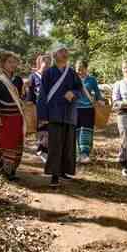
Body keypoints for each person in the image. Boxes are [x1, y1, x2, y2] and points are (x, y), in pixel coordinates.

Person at [37, 46, 83, 188]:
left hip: (70, 113)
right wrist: (43, 115)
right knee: (55, 145)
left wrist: (73, 93)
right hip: (54, 113)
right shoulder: (49, 73)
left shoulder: (72, 73)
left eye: (66, 52)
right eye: (61, 52)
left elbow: (80, 89)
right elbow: (42, 94)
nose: (65, 54)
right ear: (54, 55)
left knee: (68, 144)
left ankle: (65, 171)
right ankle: (54, 175)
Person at [0, 52, 25, 181]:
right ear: (3, 64)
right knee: (5, 143)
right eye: (9, 62)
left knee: (16, 144)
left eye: (14, 62)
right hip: (4, 117)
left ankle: (11, 171)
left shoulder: (18, 80)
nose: (12, 64)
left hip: (17, 117)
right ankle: (4, 169)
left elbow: (21, 98)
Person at [75, 60, 105, 164]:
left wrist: (101, 101)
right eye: (77, 68)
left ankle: (85, 154)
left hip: (88, 109)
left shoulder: (91, 80)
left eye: (81, 68)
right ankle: (77, 154)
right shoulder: (73, 79)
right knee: (76, 131)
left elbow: (97, 93)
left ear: (86, 68)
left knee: (86, 131)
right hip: (75, 109)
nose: (79, 71)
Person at [26, 54, 52, 163]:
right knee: (41, 130)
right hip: (37, 108)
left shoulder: (51, 76)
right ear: (40, 63)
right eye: (45, 62)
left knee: (48, 130)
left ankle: (43, 150)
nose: (47, 65)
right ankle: (42, 150)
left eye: (49, 63)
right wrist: (29, 102)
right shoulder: (33, 76)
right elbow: (30, 91)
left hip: (50, 107)